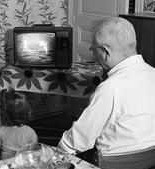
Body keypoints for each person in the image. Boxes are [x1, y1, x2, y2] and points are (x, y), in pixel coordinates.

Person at [57, 17, 155, 169]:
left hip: (115, 163)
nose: (94, 55)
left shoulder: (111, 88)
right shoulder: (152, 73)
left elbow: (80, 138)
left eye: (93, 50)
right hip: (150, 159)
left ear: (105, 52)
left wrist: (59, 152)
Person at [0, 88, 38, 161]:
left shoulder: (1, 130)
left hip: (6, 160)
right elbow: (34, 147)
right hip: (23, 160)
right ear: (27, 115)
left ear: (6, 114)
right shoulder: (30, 131)